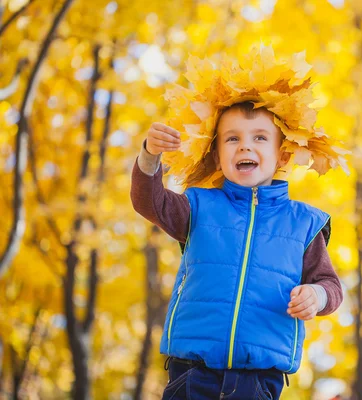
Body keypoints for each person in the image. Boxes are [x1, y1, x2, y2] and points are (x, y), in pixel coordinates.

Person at [130, 47, 349, 399]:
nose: (244, 146)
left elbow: (331, 285)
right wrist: (149, 155)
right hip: (191, 372)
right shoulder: (199, 206)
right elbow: (148, 202)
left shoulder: (304, 224)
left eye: (259, 138)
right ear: (217, 153)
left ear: (282, 154)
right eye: (232, 139)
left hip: (258, 379)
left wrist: (316, 294)